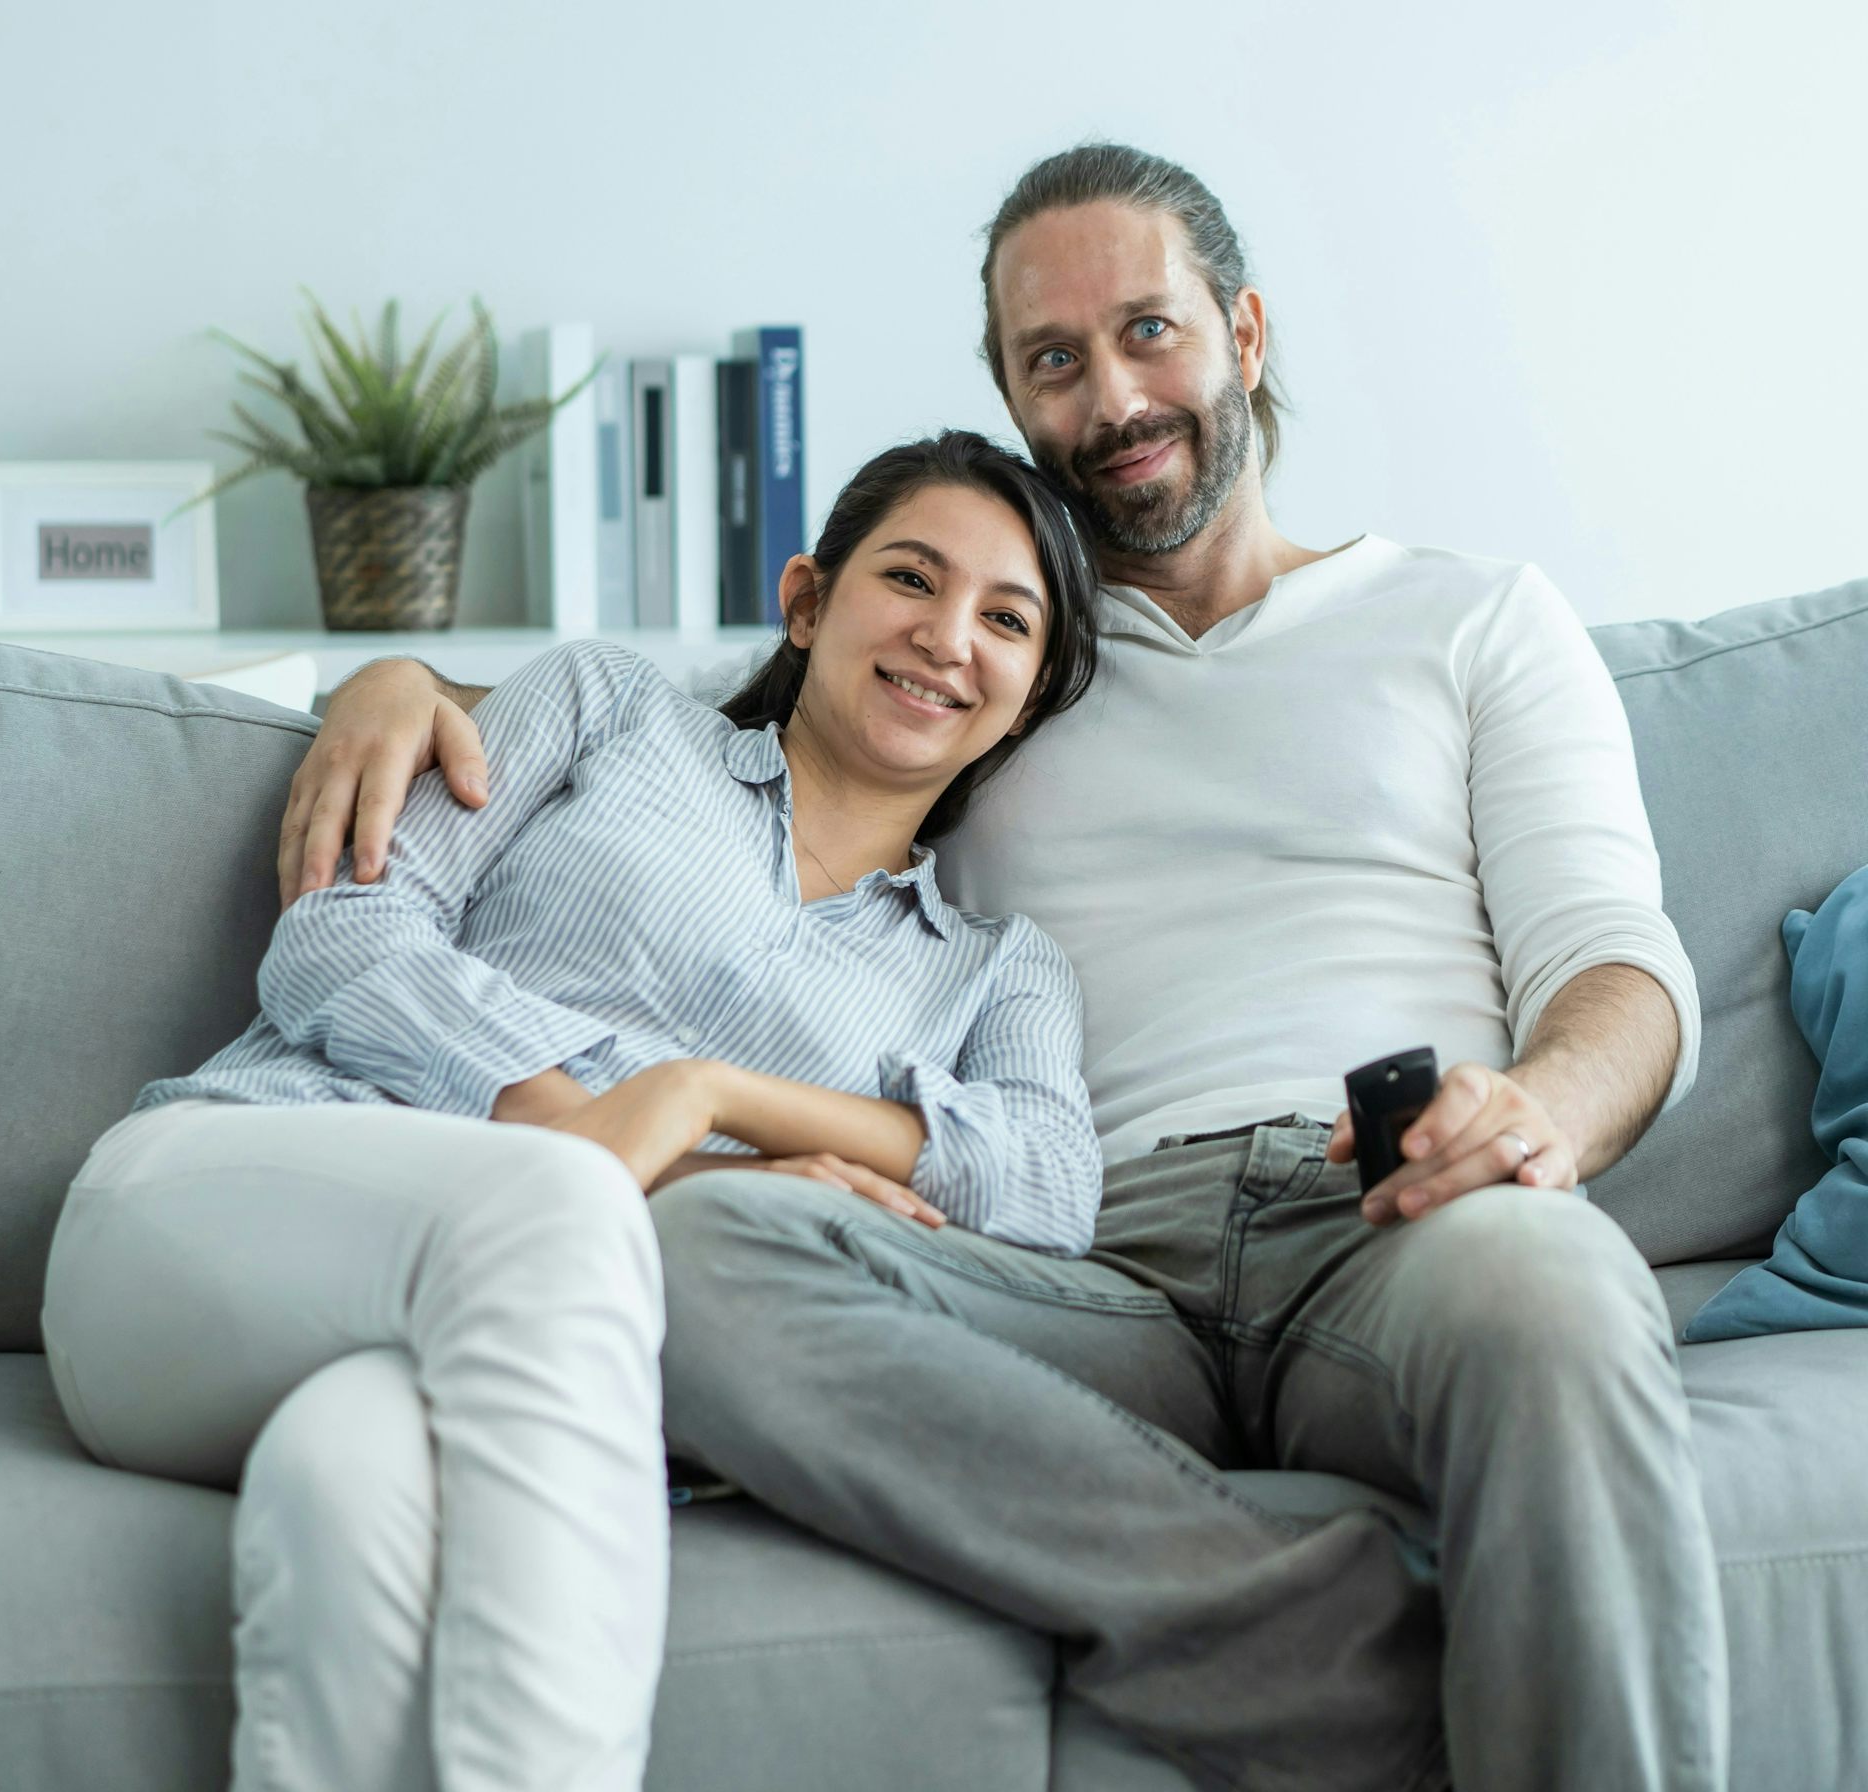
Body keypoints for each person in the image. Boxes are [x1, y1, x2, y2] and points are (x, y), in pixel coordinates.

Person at [282, 146, 1729, 1792]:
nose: (1111, 395)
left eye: (1149, 332)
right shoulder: (993, 658)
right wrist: (385, 673)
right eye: (1053, 360)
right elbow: (715, 721)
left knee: (1556, 1288)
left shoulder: (1473, 621)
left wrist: (1536, 1114)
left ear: (1244, 335)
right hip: (1079, 1262)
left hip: (1389, 1214)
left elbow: (1618, 968)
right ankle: (1336, 1662)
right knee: (675, 1242)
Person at [39, 429, 1105, 1792]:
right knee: (560, 1204)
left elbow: (1050, 1191)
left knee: (352, 1481)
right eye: (911, 578)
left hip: (439, 1353)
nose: (949, 636)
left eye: (1006, 621)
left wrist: (703, 1104)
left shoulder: (997, 970)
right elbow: (342, 933)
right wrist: (591, 1137)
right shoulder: (605, 708)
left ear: (1025, 699)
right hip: (209, 1216)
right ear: (807, 602)